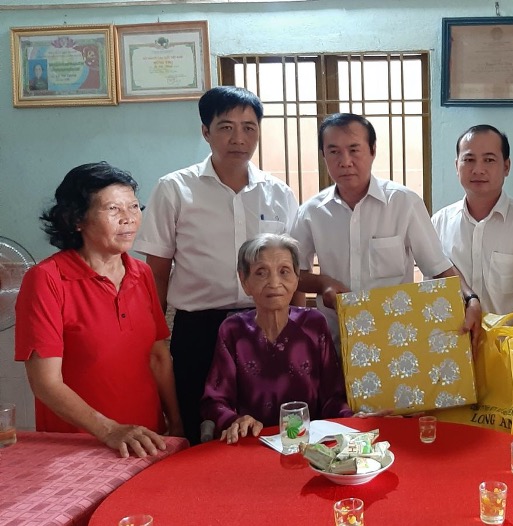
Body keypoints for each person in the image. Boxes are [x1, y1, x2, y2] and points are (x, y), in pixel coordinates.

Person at [135, 86, 299, 444]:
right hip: (200, 331)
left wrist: (297, 327)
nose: (239, 138)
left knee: (269, 430)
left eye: (249, 128)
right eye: (226, 127)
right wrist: (156, 339)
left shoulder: (279, 193)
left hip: (264, 326)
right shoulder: (174, 189)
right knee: (200, 429)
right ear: (205, 131)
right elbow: (156, 273)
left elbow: (291, 271)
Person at [15, 162, 182, 458]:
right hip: (78, 449)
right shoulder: (46, 279)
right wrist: (110, 430)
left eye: (133, 206)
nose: (128, 218)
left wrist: (178, 425)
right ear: (77, 219)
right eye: (113, 209)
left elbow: (158, 356)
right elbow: (45, 383)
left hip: (147, 441)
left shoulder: (142, 273)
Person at [291, 113, 481, 349]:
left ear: (372, 150)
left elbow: (439, 268)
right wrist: (323, 283)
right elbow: (292, 273)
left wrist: (471, 298)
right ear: (323, 156)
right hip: (334, 341)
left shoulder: (403, 202)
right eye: (334, 152)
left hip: (395, 342)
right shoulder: (311, 212)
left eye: (354, 150)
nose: (345, 161)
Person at [201, 234, 354, 443]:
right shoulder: (233, 331)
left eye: (284, 271)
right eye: (261, 272)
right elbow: (214, 402)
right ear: (244, 281)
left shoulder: (313, 325)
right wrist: (235, 420)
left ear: (296, 278)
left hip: (309, 446)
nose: (274, 283)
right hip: (252, 443)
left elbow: (333, 398)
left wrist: (354, 418)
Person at [431, 125, 513, 322]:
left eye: (489, 160)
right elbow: (431, 292)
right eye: (469, 160)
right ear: (456, 166)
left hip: (510, 340)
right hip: (456, 339)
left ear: (506, 166)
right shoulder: (439, 223)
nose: (478, 170)